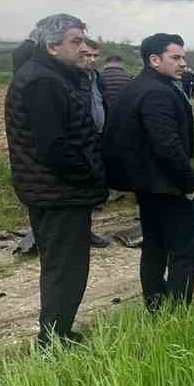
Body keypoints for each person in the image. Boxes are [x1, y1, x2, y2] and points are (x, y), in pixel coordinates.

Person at [4, 12, 106, 346]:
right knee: (65, 269)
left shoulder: (53, 76)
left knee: (64, 267)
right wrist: (89, 175)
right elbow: (54, 146)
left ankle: (59, 331)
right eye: (75, 42)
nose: (83, 48)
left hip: (55, 190)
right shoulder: (43, 82)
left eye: (83, 41)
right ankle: (53, 343)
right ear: (51, 47)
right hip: (59, 192)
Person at [103, 33, 194, 310]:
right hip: (168, 185)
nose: (183, 63)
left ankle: (155, 306)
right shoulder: (156, 93)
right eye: (176, 57)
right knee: (183, 250)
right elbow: (167, 146)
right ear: (154, 60)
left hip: (148, 185)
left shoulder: (141, 86)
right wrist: (189, 183)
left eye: (183, 57)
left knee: (155, 246)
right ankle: (178, 311)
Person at [77, 39, 112, 249]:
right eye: (87, 55)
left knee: (92, 185)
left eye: (94, 56)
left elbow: (102, 104)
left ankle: (85, 230)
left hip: (97, 137)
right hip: (81, 138)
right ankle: (81, 233)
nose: (91, 60)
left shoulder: (96, 77)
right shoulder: (72, 79)